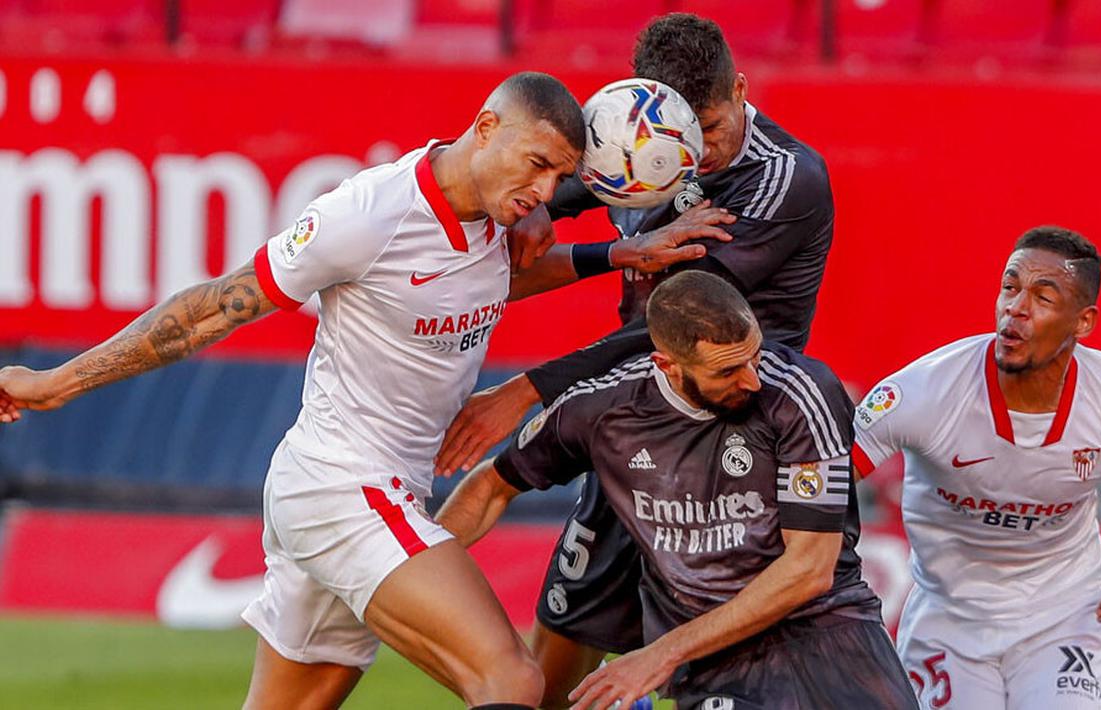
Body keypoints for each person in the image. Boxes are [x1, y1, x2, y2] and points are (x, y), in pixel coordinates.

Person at [0, 72, 592, 709]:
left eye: (557, 177)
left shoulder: (492, 217)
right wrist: (58, 381)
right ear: (486, 128)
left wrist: (616, 254)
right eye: (537, 167)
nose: (545, 192)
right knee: (511, 679)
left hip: (363, 488)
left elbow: (482, 280)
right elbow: (211, 309)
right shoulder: (369, 214)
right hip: (344, 489)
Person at [434, 15, 837, 703]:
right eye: (681, 133)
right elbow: (550, 185)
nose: (694, 153)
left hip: (736, 433)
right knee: (558, 662)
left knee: (726, 680)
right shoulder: (639, 137)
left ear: (740, 91)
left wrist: (526, 389)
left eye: (710, 129)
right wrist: (539, 204)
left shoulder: (783, 179)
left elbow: (680, 323)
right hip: (643, 416)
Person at [439, 272, 918, 710]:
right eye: (727, 372)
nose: (752, 380)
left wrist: (659, 655)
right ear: (666, 365)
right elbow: (491, 487)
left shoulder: (799, 393)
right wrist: (411, 566)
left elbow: (809, 570)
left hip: (828, 629)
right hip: (712, 658)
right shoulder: (600, 410)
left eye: (753, 356)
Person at [851, 226, 1101, 710]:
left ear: (1083, 322)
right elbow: (824, 481)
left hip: (1065, 615)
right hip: (948, 621)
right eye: (1009, 287)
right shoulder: (922, 393)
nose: (1016, 308)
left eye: (1043, 296)